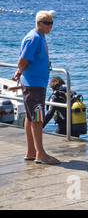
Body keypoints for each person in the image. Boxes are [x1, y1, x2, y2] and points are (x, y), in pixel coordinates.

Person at [11, 10, 60, 165]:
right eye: (47, 23)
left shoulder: (39, 36)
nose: (50, 26)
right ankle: (40, 154)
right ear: (38, 23)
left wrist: (20, 72)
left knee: (30, 117)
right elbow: (22, 60)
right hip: (34, 85)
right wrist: (20, 70)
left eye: (52, 22)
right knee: (37, 118)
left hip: (35, 83)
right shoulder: (33, 38)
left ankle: (31, 151)